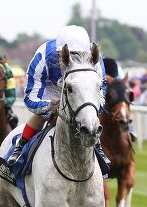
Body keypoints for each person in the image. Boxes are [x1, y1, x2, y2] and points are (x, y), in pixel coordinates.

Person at [7, 25, 109, 167]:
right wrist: (48, 105)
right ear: (61, 52)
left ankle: (97, 145)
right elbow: (30, 98)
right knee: (43, 115)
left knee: (88, 114)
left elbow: (101, 93)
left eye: (79, 54)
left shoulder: (94, 59)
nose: (75, 59)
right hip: (51, 88)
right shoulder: (43, 57)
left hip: (80, 89)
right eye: (70, 54)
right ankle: (20, 146)